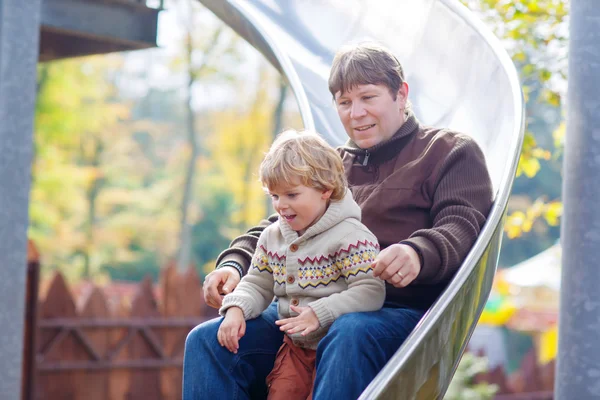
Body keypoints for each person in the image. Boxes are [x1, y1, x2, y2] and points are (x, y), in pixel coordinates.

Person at [183, 41, 493, 400]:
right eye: (344, 102)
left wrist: (417, 252)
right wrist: (235, 265)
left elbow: (462, 223)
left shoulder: (447, 151)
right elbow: (279, 225)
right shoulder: (332, 163)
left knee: (348, 330)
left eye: (368, 97)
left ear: (401, 94)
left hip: (393, 312)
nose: (355, 113)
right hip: (307, 304)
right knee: (208, 340)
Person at [217, 129, 385, 400]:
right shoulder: (273, 236)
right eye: (274, 196)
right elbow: (258, 283)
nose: (281, 206)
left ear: (325, 190)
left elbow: (370, 290)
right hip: (294, 349)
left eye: (292, 195)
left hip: (337, 347)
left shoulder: (351, 236)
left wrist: (321, 312)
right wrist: (236, 308)